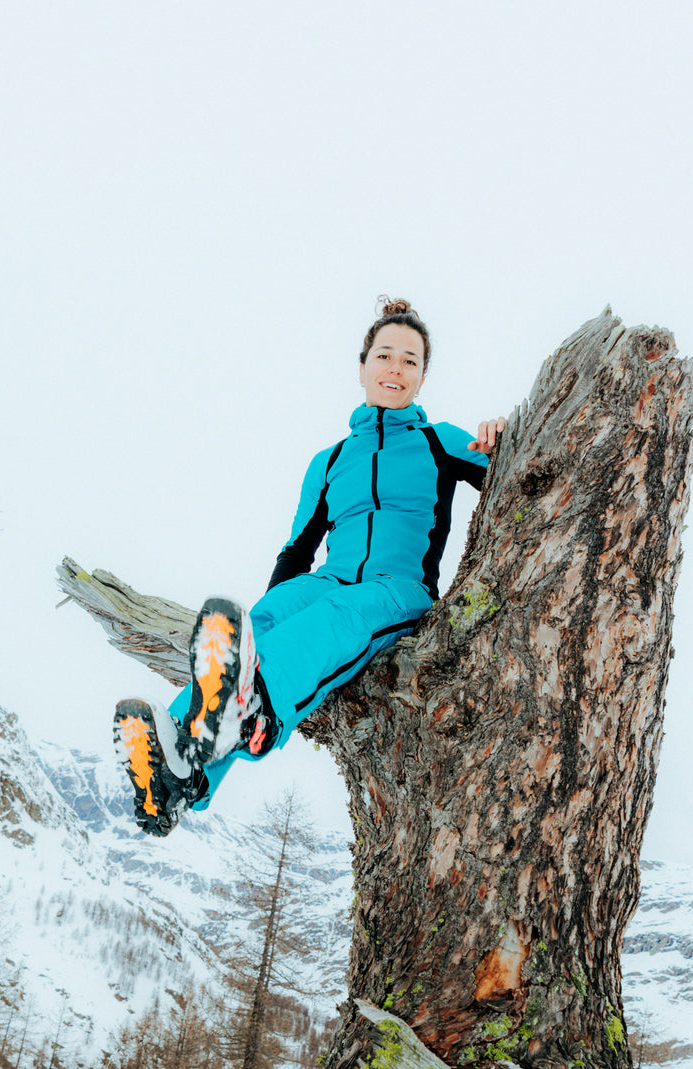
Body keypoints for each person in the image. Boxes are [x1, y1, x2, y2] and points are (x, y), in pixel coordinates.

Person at [114, 298, 505, 836]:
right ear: (362, 367)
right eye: (384, 355)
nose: (395, 367)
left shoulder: (442, 441)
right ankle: (178, 777)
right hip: (329, 577)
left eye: (409, 360)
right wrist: (266, 622)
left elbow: (515, 475)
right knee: (267, 619)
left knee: (335, 615)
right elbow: (297, 552)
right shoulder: (330, 461)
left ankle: (257, 712)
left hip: (399, 589)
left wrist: (502, 437)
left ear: (421, 377)